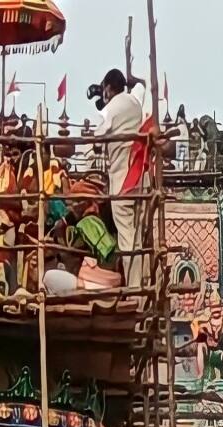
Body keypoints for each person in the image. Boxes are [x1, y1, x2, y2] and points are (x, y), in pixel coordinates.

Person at [93, 68, 146, 289]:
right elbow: (142, 86)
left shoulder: (111, 108)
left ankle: (134, 290)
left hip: (122, 178)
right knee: (139, 237)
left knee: (126, 236)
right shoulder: (135, 102)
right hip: (140, 176)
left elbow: (97, 138)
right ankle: (143, 285)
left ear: (107, 88)